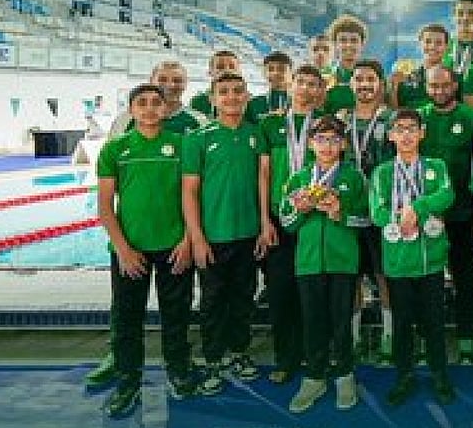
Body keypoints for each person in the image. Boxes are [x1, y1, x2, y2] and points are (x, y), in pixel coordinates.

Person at [96, 84, 196, 418]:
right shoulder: (115, 149)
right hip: (130, 249)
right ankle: (128, 381)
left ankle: (178, 371)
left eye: (156, 103)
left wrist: (188, 241)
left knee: (176, 316)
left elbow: (192, 196)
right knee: (127, 319)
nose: (150, 108)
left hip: (174, 247)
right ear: (131, 110)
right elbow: (105, 206)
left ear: (166, 109)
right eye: (142, 103)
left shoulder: (182, 145)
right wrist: (123, 249)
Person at [182, 72, 275, 395]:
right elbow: (189, 191)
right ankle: (212, 358)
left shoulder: (255, 134)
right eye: (224, 92)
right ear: (212, 99)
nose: (232, 97)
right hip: (213, 236)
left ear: (247, 96)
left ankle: (238, 351)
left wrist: (264, 223)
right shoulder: (198, 138)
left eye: (238, 91)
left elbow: (263, 180)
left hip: (248, 233)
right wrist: (196, 237)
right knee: (212, 301)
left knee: (243, 298)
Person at [279, 115, 368, 413]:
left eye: (333, 140)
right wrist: (301, 210)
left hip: (343, 262)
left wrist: (340, 213)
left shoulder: (354, 178)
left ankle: (344, 375)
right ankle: (314, 377)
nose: (327, 146)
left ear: (343, 144)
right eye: (321, 140)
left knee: (341, 322)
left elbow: (367, 219)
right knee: (313, 322)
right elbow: (286, 222)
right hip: (308, 263)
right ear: (310, 144)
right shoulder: (298, 179)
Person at [370, 109, 457, 406]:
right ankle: (404, 375)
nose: (406, 134)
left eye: (411, 128)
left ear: (422, 133)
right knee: (402, 323)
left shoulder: (436, 166)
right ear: (391, 135)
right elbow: (377, 212)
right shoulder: (382, 173)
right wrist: (400, 218)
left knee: (434, 322)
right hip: (398, 262)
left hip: (430, 259)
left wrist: (416, 208)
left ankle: (439, 374)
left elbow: (447, 195)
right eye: (400, 129)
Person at [256, 65, 326, 385]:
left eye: (313, 84)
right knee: (281, 291)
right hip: (279, 219)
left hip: (314, 218)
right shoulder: (270, 123)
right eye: (301, 82)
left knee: (313, 291)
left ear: (321, 90)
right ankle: (285, 357)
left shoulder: (325, 124)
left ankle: (316, 356)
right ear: (290, 84)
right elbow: (264, 174)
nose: (307, 89)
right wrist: (264, 220)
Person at [419, 65, 473, 365]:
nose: (439, 91)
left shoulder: (471, 118)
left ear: (455, 85)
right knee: (425, 281)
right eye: (433, 86)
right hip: (425, 215)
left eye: (445, 85)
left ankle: (468, 339)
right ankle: (425, 341)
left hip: (462, 213)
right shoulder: (418, 119)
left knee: (465, 279)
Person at [341, 60, 396, 363]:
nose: (364, 84)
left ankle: (389, 336)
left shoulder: (392, 119)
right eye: (358, 79)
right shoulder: (341, 119)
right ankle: (353, 338)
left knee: (383, 273)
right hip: (348, 209)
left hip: (382, 210)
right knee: (351, 275)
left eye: (370, 79)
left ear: (380, 83)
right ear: (351, 84)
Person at [391, 24, 448, 110]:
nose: (432, 47)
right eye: (428, 42)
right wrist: (394, 88)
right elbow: (394, 112)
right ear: (420, 44)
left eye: (439, 43)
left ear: (446, 46)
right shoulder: (405, 79)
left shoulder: (455, 79)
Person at [321, 14, 368, 114]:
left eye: (354, 40)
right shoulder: (324, 77)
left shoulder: (374, 77)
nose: (348, 45)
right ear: (334, 44)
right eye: (343, 40)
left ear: (362, 44)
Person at [188, 50, 241, 119]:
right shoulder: (198, 102)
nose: (227, 70)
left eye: (232, 67)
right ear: (210, 72)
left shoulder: (249, 103)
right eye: (220, 67)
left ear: (239, 71)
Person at [249, 51, 292, 120]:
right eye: (270, 69)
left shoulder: (300, 102)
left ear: (291, 72)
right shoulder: (254, 104)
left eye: (281, 69)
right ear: (264, 73)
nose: (275, 73)